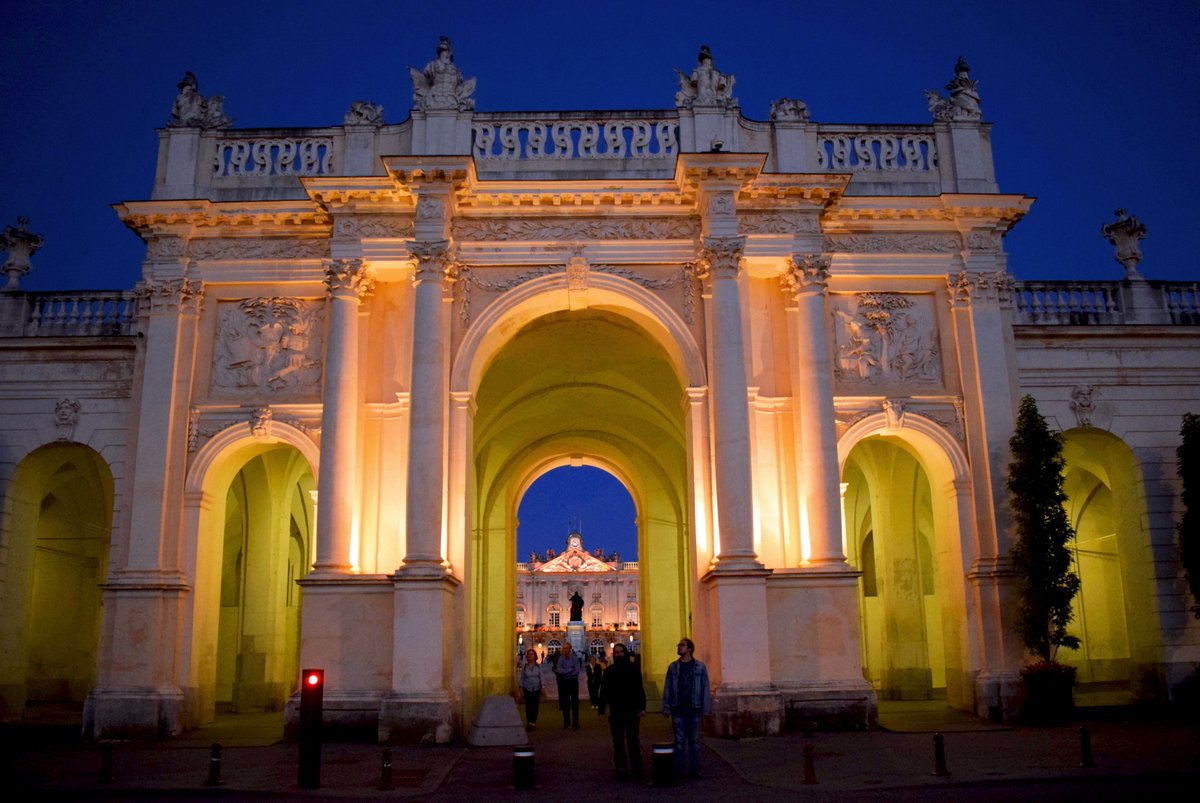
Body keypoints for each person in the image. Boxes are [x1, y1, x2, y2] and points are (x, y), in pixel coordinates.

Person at [661, 637, 711, 778]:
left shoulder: (700, 667)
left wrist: (705, 708)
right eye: (679, 645)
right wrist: (666, 707)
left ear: (689, 648)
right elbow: (668, 688)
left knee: (694, 741)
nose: (679, 647)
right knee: (679, 741)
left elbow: (704, 688)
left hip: (694, 709)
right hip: (678, 708)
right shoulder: (673, 667)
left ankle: (695, 770)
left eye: (682, 645)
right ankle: (680, 769)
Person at [598, 642, 646, 778]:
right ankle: (621, 766)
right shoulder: (609, 671)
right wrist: (601, 710)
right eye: (616, 652)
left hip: (631, 709)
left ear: (625, 653)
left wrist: (642, 706)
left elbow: (639, 688)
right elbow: (604, 691)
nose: (619, 654)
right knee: (617, 740)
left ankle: (637, 766)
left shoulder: (633, 669)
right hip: (616, 710)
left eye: (621, 652)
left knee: (633, 740)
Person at [554, 642, 584, 730]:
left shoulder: (575, 658)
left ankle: (576, 723)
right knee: (565, 703)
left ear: (570, 649)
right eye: (564, 648)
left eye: (567, 648)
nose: (565, 650)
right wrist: (570, 669)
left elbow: (577, 671)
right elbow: (559, 669)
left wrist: (565, 671)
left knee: (575, 703)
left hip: (573, 681)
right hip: (564, 682)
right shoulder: (561, 658)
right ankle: (566, 723)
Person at [518, 649, 543, 730]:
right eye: (528, 654)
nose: (529, 656)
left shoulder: (538, 666)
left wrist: (543, 687)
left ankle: (533, 722)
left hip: (536, 688)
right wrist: (521, 688)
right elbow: (522, 678)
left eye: (531, 654)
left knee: (535, 706)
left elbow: (541, 677)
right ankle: (529, 722)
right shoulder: (524, 667)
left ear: (535, 656)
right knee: (528, 706)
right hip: (527, 688)